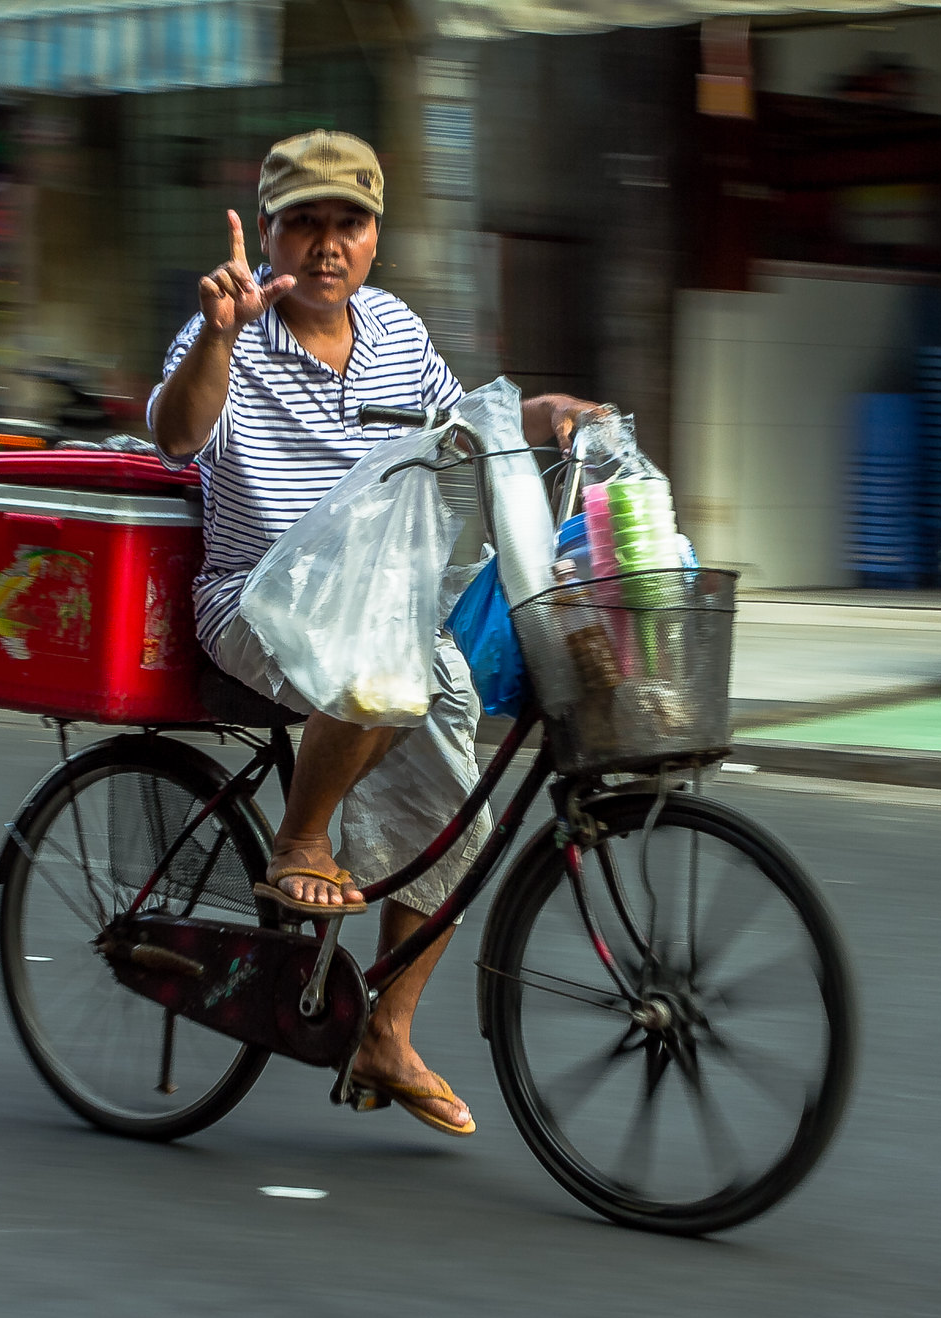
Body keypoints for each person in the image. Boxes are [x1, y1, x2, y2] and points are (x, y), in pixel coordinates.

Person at [147, 130, 601, 1137]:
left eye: (344, 223)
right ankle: (299, 837)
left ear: (373, 237)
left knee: (459, 816)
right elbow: (177, 434)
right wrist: (218, 335)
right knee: (393, 659)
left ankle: (384, 1033)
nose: (323, 244)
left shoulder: (392, 328)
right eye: (301, 222)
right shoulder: (227, 331)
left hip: (377, 615)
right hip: (257, 604)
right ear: (267, 234)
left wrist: (542, 416)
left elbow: (458, 428)